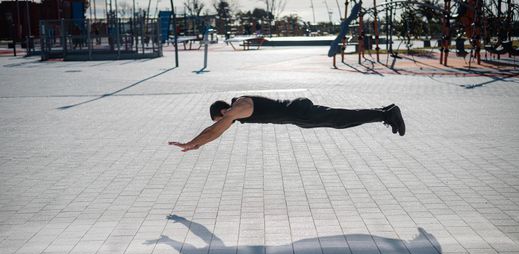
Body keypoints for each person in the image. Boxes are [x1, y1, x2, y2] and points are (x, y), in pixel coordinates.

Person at [169, 96, 405, 152]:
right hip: (299, 117)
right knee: (340, 121)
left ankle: (387, 113)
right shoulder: (235, 111)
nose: (224, 125)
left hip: (299, 112)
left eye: (221, 119)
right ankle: (386, 114)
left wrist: (193, 143)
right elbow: (215, 132)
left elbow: (213, 132)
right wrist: (198, 144)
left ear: (222, 111)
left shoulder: (238, 106)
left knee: (341, 119)